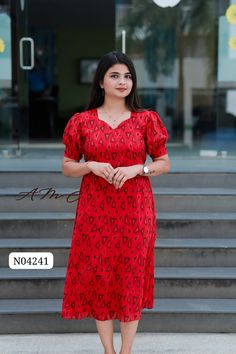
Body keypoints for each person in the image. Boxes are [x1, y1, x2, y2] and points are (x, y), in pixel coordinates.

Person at [61, 51, 170, 354]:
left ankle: (126, 351)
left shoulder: (145, 119)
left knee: (130, 278)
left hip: (135, 211)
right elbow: (67, 166)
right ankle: (108, 350)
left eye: (128, 76)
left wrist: (140, 168)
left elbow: (163, 162)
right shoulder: (81, 122)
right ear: (101, 81)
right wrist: (90, 165)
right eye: (115, 76)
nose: (123, 82)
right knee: (100, 278)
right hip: (95, 212)